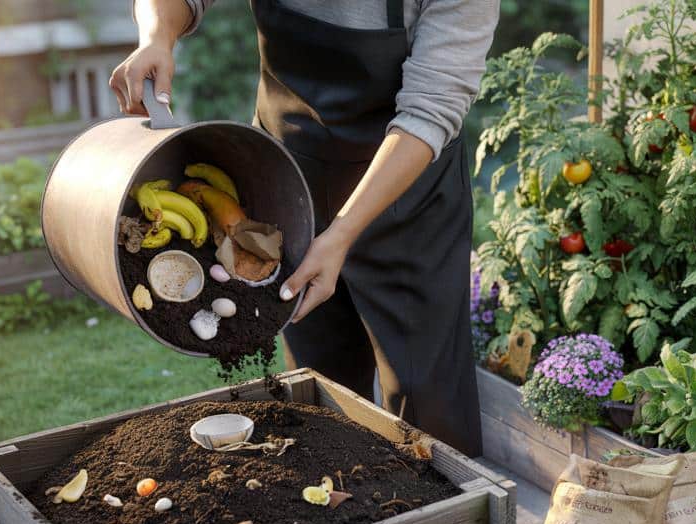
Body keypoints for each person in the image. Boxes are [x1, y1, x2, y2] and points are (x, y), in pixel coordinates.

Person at [110, 0, 497, 457]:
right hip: (288, 182)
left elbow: (431, 110)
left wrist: (340, 234)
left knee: (428, 403)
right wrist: (156, 36)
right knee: (321, 397)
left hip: (406, 198)